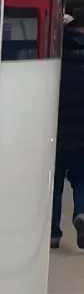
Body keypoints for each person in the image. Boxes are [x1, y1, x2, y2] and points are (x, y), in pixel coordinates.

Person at [52, 12, 84, 249]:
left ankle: (52, 233)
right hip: (81, 136)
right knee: (82, 179)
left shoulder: (52, 66)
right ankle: (82, 213)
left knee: (54, 185)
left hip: (56, 135)